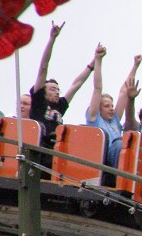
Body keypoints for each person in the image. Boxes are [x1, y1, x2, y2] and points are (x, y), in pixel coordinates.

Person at [30, 22, 96, 163]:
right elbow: (43, 67)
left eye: (58, 90)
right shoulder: (39, 101)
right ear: (44, 91)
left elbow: (76, 84)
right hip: (39, 149)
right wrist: (52, 38)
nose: (57, 92)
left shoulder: (60, 106)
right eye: (52, 89)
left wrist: (92, 64)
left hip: (57, 149)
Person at [85, 47, 142, 167]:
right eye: (107, 106)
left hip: (120, 154)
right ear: (99, 108)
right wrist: (98, 60)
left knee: (131, 143)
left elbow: (124, 92)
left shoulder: (114, 120)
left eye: (112, 105)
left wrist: (135, 66)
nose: (111, 108)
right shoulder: (94, 118)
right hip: (103, 157)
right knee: (118, 143)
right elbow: (97, 88)